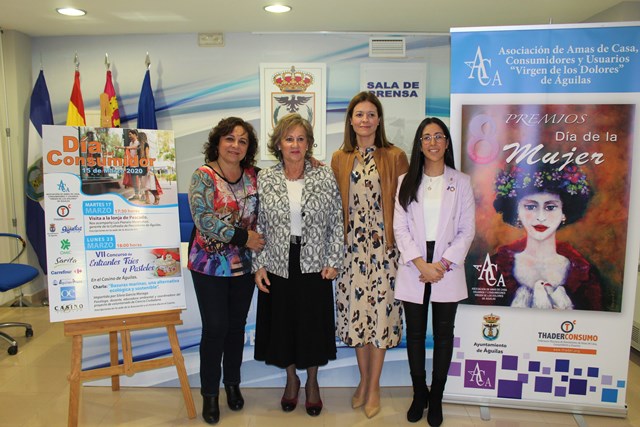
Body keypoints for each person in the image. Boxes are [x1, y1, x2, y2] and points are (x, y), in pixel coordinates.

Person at [253, 113, 343, 417]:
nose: (295, 144)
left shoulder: (324, 175)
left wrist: (334, 260)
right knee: (283, 326)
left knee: (312, 326)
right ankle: (291, 380)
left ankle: (313, 383)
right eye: (289, 138)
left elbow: (335, 221)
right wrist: (259, 265)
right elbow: (258, 225)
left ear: (309, 144)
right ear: (279, 143)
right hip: (278, 262)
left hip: (315, 263)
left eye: (301, 139)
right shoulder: (265, 178)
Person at [331, 91, 409, 418]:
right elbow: (334, 210)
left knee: (380, 319)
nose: (365, 120)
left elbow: (407, 208)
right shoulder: (339, 158)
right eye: (359, 114)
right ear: (351, 120)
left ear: (379, 119)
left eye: (371, 114)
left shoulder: (395, 156)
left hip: (385, 251)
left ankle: (375, 386)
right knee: (356, 319)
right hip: (350, 253)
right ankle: (362, 382)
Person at [393, 117, 475, 426]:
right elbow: (399, 228)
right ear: (419, 144)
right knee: (414, 336)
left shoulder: (462, 181)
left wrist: (440, 265)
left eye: (439, 136)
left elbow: (467, 231)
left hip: (446, 266)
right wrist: (420, 263)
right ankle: (419, 394)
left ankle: (436, 397)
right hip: (415, 264)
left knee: (443, 336)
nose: (433, 142)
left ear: (447, 143)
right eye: (426, 137)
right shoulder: (405, 181)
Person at [187, 117, 265, 425]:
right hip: (208, 265)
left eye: (242, 141)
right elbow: (203, 219)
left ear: (249, 148)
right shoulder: (203, 176)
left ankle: (232, 384)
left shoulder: (254, 176)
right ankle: (209, 393)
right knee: (215, 328)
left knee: (236, 328)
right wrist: (244, 237)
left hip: (242, 267)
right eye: (230, 139)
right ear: (218, 142)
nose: (235, 145)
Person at [489, 162, 602, 310]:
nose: (540, 217)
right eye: (530, 207)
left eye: (550, 207)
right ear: (517, 212)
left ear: (564, 213)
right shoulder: (496, 267)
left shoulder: (584, 274)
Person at [138, 132, 162, 205]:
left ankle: (157, 196)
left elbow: (147, 155)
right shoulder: (139, 146)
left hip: (146, 166)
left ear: (141, 137)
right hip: (140, 166)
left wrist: (148, 166)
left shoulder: (146, 145)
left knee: (150, 184)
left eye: (138, 136)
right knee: (143, 184)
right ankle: (147, 199)